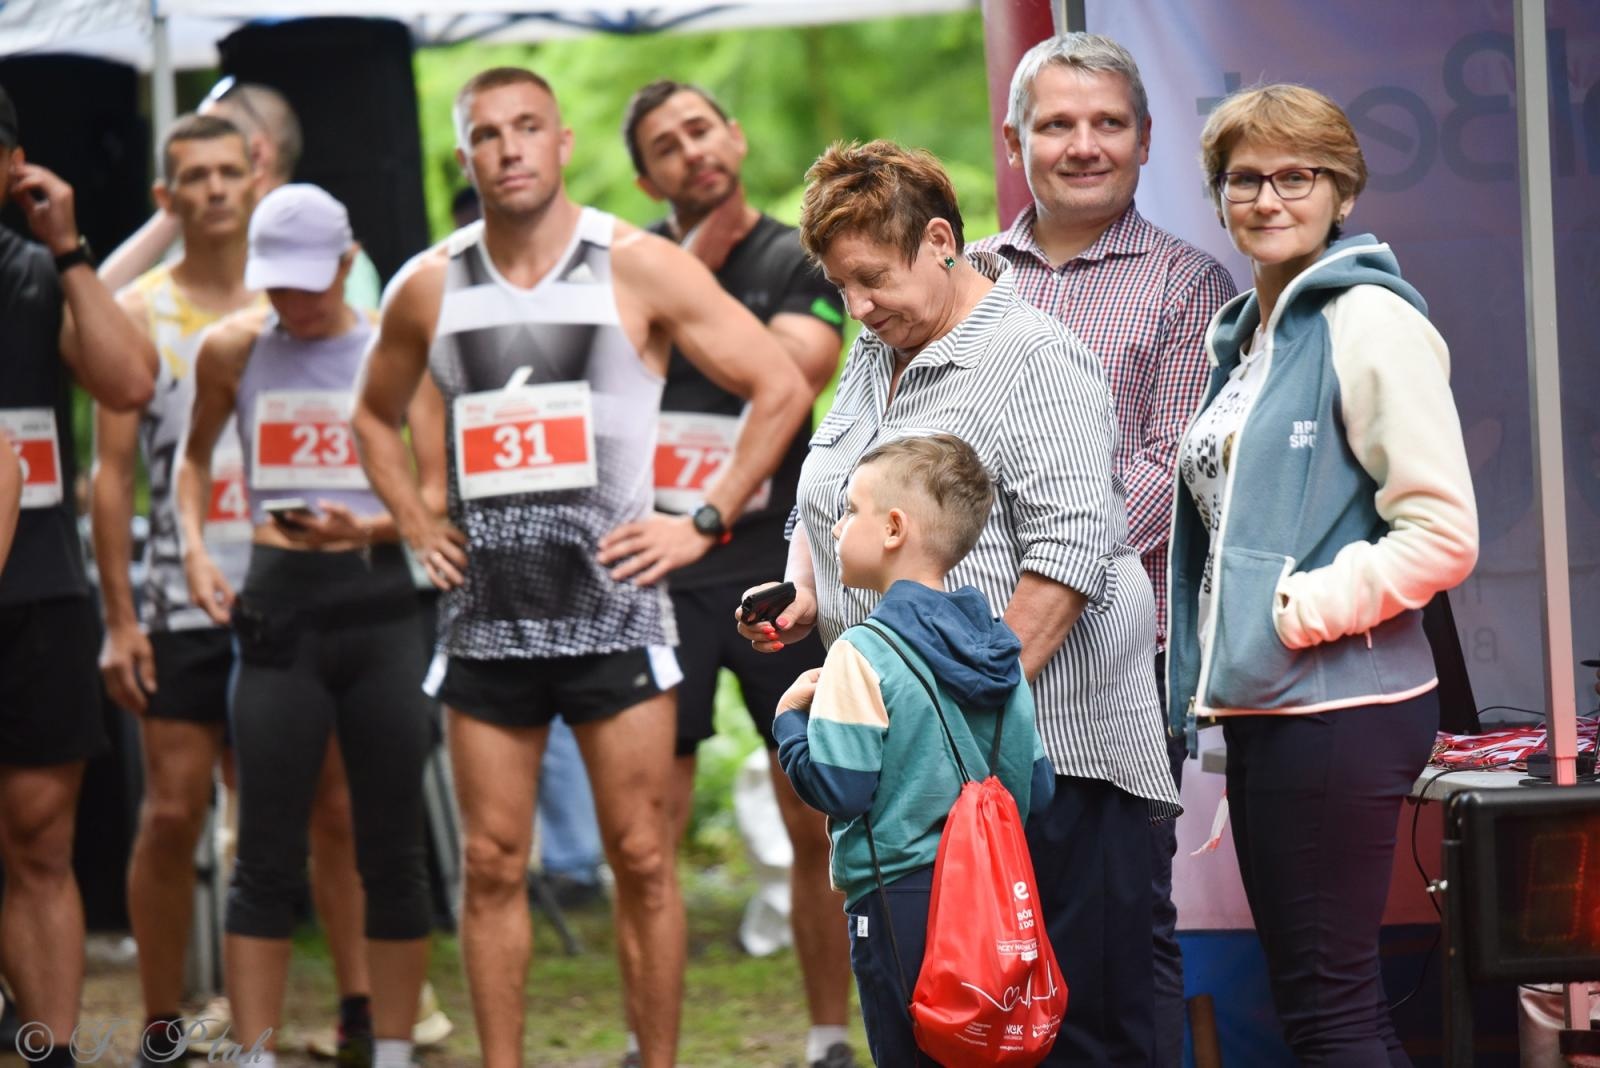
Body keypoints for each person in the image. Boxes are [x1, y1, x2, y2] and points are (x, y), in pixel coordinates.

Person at [349, 67, 810, 1068]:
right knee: (490, 863)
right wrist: (416, 523)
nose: (509, 147)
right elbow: (370, 417)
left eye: (528, 127)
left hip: (618, 613)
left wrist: (703, 521)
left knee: (642, 858)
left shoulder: (636, 266)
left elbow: (778, 384)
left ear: (561, 142)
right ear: (466, 155)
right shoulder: (426, 284)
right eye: (487, 134)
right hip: (487, 620)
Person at [738, 138, 1183, 1064]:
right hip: (930, 782)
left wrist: (959, 713)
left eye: (873, 278)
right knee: (964, 1033)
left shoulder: (1033, 358)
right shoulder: (879, 347)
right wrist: (806, 586)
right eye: (841, 286)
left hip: (1058, 758)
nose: (859, 307)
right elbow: (834, 488)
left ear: (940, 241)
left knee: (1085, 1034)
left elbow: (1070, 555)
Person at [1170, 84, 1478, 1063]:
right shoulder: (1252, 336)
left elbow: (1441, 534)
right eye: (1243, 179)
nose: (1267, 198)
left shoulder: (1366, 320)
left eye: (1296, 176)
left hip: (1339, 706)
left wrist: (1293, 612)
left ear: (1342, 193)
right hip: (1277, 708)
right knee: (1325, 1005)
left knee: (1330, 1011)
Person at [969, 33, 1240, 1064]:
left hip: (1120, 666)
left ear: (1144, 139)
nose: (1083, 145)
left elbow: (1174, 470)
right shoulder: (967, 278)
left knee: (1117, 931)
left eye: (1107, 123)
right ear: (1014, 142)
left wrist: (1026, 563)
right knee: (992, 920)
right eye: (1057, 124)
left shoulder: (1186, 285)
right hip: (970, 656)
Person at [175, 183, 439, 1068]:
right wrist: (196, 551)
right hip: (276, 608)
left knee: (393, 847)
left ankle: (392, 1047)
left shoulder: (394, 350)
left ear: (346, 262)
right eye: (275, 281)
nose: (291, 298)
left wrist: (367, 526)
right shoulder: (233, 347)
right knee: (263, 850)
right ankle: (254, 1052)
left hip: (379, 609)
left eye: (308, 280)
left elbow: (438, 497)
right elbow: (192, 460)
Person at [622, 78, 852, 1068]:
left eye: (702, 129)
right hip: (657, 566)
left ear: (738, 135)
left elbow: (792, 374)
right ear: (646, 178)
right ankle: (648, 1045)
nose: (692, 153)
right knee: (647, 832)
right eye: (667, 146)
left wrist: (681, 299)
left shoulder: (792, 255)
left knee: (813, 815)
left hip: (771, 562)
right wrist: (681, 278)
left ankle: (828, 1035)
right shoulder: (629, 264)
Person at [772, 433, 1056, 1066]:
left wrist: (789, 721)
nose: (836, 526)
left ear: (894, 528)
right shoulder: (998, 648)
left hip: (897, 898)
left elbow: (842, 787)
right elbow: (1038, 788)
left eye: (850, 510)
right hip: (996, 895)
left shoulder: (861, 651)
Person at [89, 112, 264, 1067]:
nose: (214, 189)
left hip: (287, 590)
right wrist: (119, 619)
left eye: (228, 171)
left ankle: (277, 1016)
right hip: (177, 602)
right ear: (167, 196)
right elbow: (112, 476)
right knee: (171, 811)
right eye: (194, 176)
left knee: (280, 815)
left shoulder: (295, 293)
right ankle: (162, 1024)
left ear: (256, 177)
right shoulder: (138, 309)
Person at [0, 82, 158, 1068]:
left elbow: (129, 382)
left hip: (38, 595)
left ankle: (50, 1049)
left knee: (38, 835)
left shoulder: (39, 275)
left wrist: (68, 248)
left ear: (13, 164)